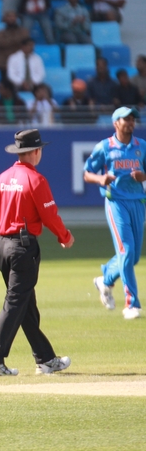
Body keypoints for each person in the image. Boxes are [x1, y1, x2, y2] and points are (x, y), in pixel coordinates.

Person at [0, 128, 74, 376]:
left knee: (26, 305)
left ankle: (46, 359)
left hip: (2, 248)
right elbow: (49, 215)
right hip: (23, 248)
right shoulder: (36, 180)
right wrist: (65, 237)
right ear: (36, 151)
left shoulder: (0, 180)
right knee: (16, 302)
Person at [85, 107, 146, 319]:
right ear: (115, 123)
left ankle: (106, 279)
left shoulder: (141, 146)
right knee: (127, 251)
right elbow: (87, 173)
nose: (130, 122)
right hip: (116, 203)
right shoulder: (105, 147)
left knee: (133, 256)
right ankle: (132, 304)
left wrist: (143, 176)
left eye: (132, 119)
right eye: (125, 119)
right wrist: (100, 179)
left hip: (138, 202)